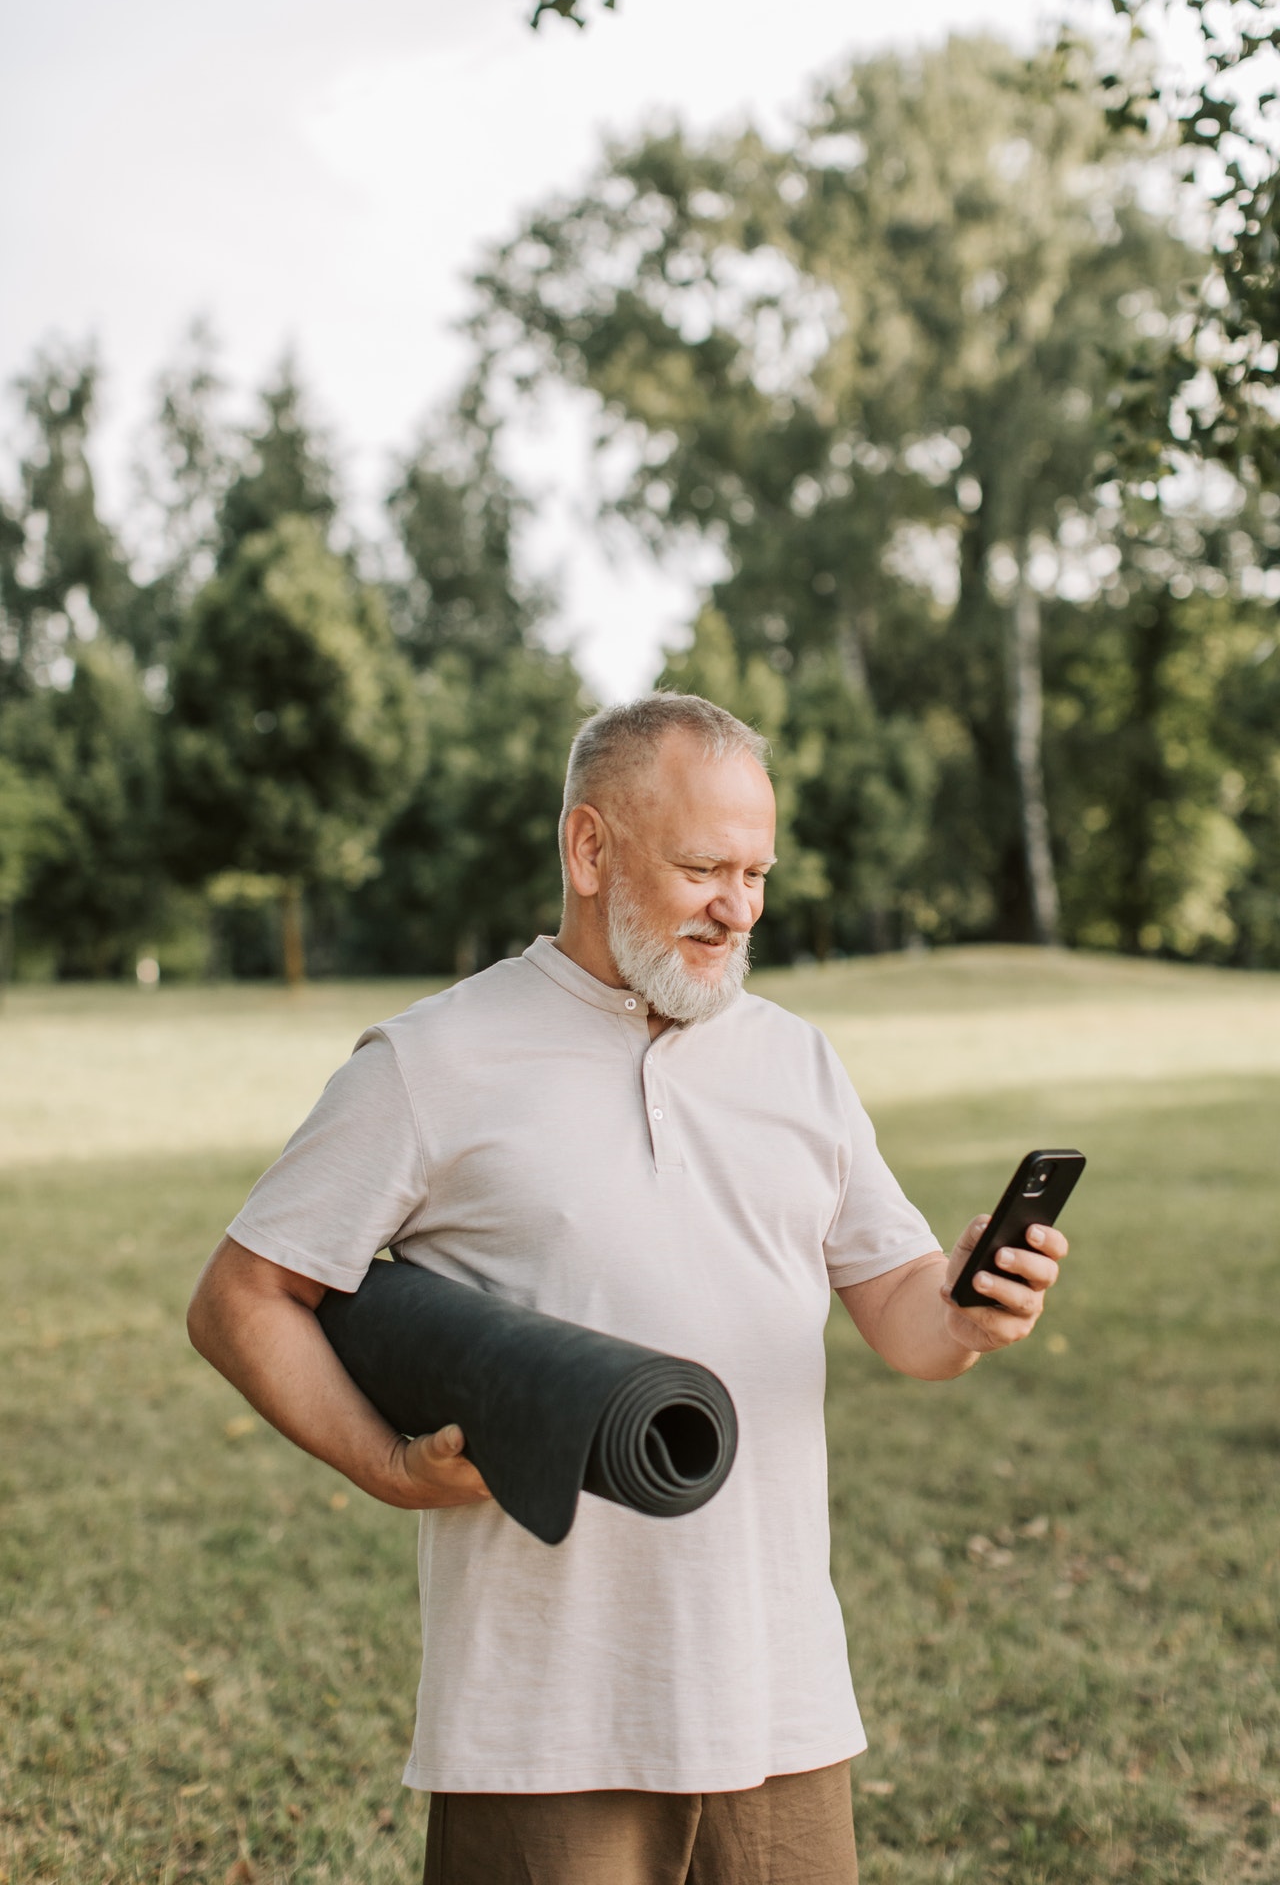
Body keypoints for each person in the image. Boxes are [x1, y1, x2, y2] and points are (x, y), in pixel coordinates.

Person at [187, 693, 1069, 1885]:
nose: (738, 908)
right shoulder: (432, 1060)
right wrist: (385, 1468)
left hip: (781, 1706)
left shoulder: (796, 1061)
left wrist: (967, 1309)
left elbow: (904, 1315)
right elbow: (243, 1297)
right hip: (541, 1724)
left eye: (756, 871)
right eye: (704, 867)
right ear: (588, 848)